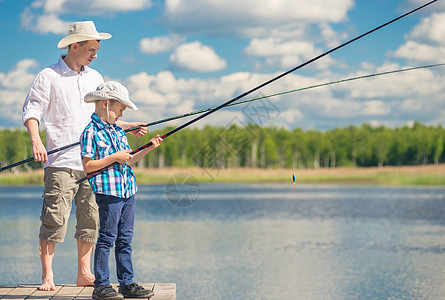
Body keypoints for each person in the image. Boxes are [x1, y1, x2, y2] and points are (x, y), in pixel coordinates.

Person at [22, 21, 147, 291]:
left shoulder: (95, 77)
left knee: (90, 220)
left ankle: (84, 273)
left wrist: (128, 126)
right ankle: (48, 276)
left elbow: (103, 119)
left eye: (97, 49)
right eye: (91, 49)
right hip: (62, 164)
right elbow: (32, 111)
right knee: (54, 220)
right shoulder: (48, 75)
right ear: (74, 46)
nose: (95, 55)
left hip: (95, 164)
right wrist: (36, 141)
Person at [80, 81, 162, 300]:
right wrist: (114, 157)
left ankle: (126, 283)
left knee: (125, 239)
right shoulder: (90, 132)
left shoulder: (117, 131)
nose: (120, 114)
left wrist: (148, 147)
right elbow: (88, 166)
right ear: (106, 104)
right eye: (119, 110)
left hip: (128, 190)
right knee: (107, 238)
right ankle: (102, 286)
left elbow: (129, 160)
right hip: (109, 193)